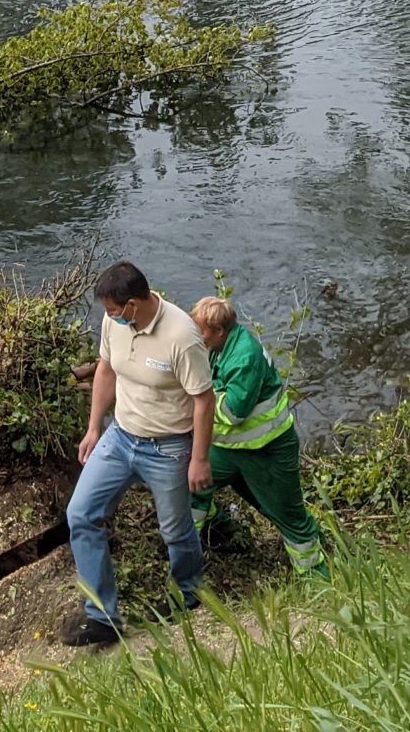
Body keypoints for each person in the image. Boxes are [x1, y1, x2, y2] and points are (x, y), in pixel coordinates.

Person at [61, 261, 215, 649]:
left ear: (133, 304)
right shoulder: (115, 324)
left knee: (175, 531)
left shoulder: (182, 336)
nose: (110, 318)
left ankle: (187, 593)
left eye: (114, 311)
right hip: (121, 436)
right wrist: (94, 427)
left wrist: (199, 459)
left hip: (168, 447)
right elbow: (106, 371)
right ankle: (102, 616)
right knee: (80, 514)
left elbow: (203, 401)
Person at [187, 296, 328, 581]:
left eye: (200, 330)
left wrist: (193, 397)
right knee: (191, 487)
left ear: (219, 331)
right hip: (229, 449)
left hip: (268, 452)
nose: (195, 336)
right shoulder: (216, 346)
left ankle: (318, 577)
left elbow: (232, 412)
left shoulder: (244, 357)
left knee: (290, 520)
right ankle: (223, 535)